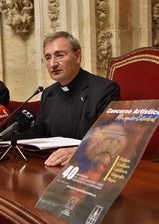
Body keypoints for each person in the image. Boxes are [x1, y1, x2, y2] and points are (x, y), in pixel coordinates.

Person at [14, 31, 120, 167]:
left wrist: (79, 152)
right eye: (47, 57)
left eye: (59, 55)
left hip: (87, 166)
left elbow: (109, 138)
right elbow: (39, 131)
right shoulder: (49, 93)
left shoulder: (104, 90)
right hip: (50, 164)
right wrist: (8, 138)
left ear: (77, 56)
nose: (52, 64)